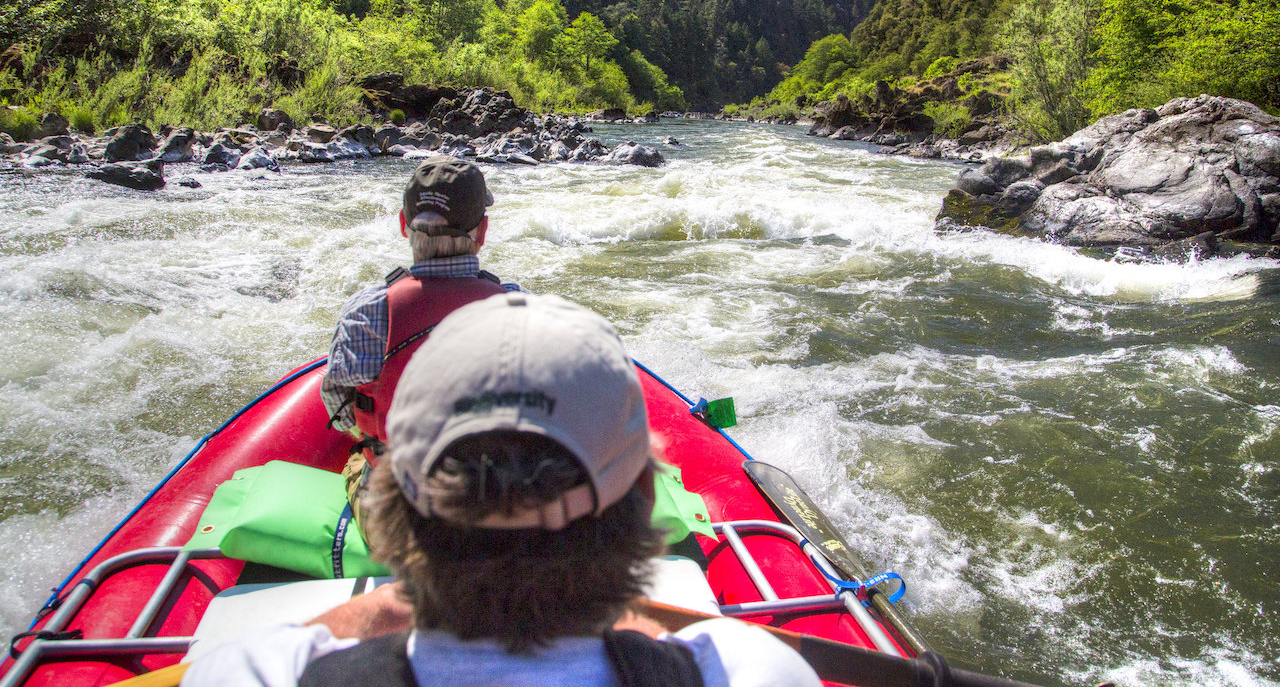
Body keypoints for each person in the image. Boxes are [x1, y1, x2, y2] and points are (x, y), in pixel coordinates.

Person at [181, 293, 821, 687]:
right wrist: (613, 614)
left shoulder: (251, 673)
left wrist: (396, 606)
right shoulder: (754, 670)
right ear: (644, 506)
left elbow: (302, 645)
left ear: (392, 511)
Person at [321, 156, 520, 531]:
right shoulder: (521, 306)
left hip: (401, 522)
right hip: (499, 511)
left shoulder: (364, 312)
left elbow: (340, 408)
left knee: (357, 458)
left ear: (402, 224)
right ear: (483, 232)